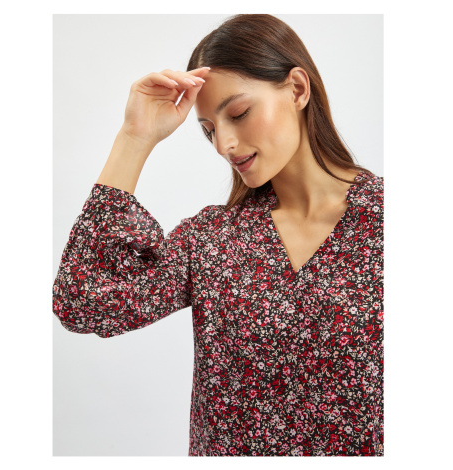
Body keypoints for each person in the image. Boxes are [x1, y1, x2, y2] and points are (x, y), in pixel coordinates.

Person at [52, 14, 383, 456]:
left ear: (297, 89)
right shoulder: (212, 240)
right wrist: (134, 138)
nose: (224, 144)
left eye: (239, 113)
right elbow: (83, 304)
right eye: (209, 130)